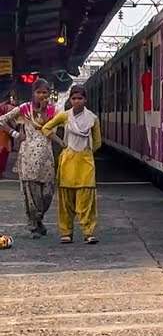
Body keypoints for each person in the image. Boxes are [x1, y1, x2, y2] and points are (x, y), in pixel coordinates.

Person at [42, 84, 102, 245]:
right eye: (74, 98)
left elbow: (97, 142)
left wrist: (86, 153)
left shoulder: (92, 119)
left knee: (86, 199)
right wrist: (61, 143)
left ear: (85, 100)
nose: (77, 101)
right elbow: (47, 128)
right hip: (68, 160)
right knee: (66, 199)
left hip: (85, 162)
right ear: (70, 99)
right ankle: (66, 232)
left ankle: (88, 232)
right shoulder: (64, 116)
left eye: (80, 98)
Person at [0, 81, 57, 237]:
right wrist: (16, 134)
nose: (42, 95)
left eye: (45, 92)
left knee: (47, 194)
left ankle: (38, 219)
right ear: (33, 93)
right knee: (32, 195)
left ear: (49, 94)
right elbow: (2, 120)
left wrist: (44, 112)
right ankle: (33, 225)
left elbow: (52, 130)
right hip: (28, 156)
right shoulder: (24, 109)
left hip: (46, 157)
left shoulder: (53, 111)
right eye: (39, 92)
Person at [0, 92, 15, 178]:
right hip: (4, 134)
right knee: (3, 153)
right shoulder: (9, 108)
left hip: (4, 134)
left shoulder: (8, 108)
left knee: (3, 153)